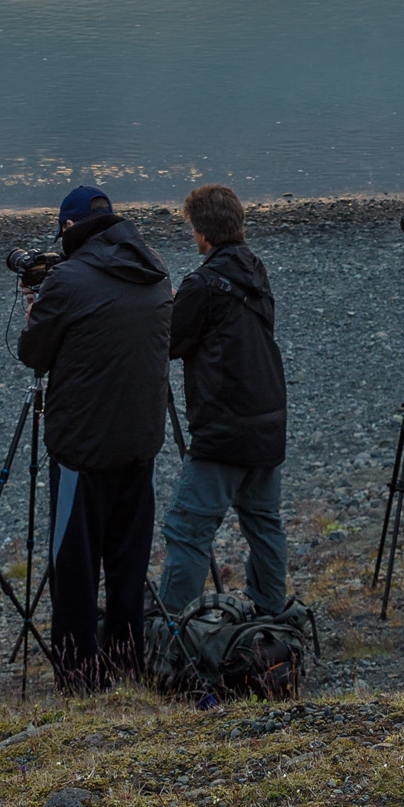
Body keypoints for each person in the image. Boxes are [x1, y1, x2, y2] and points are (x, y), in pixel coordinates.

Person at [16, 184, 172, 689]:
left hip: (82, 451)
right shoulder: (154, 270)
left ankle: (79, 679)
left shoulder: (68, 280)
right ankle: (127, 666)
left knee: (75, 573)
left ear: (68, 229)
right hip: (140, 444)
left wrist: (35, 306)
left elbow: (34, 354)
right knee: (127, 568)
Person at [159, 182, 289, 616]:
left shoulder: (203, 283)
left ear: (202, 233)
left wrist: (173, 305)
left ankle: (175, 625)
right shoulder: (254, 269)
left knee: (188, 528)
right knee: (263, 523)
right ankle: (270, 612)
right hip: (267, 416)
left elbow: (173, 342)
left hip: (224, 425)